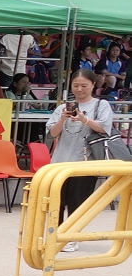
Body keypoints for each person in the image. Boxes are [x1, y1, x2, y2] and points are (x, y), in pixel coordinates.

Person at [47, 70, 116, 252]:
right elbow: (51, 133)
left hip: (85, 162)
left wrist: (84, 119)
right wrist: (62, 119)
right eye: (75, 85)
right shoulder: (62, 108)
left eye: (84, 85)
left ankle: (71, 237)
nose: (79, 89)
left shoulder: (101, 105)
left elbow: (104, 128)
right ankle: (55, 235)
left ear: (93, 85)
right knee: (56, 201)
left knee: (77, 202)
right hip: (60, 162)